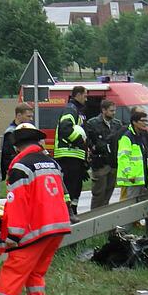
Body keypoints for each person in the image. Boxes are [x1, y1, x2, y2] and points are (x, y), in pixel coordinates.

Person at [0, 123, 72, 295]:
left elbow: (18, 204)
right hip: (58, 227)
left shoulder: (20, 168)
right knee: (36, 271)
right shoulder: (52, 163)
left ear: (17, 146)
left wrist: (12, 236)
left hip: (36, 228)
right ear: (37, 142)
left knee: (14, 269)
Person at [115, 108, 148, 228]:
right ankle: (124, 231)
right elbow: (123, 158)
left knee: (137, 206)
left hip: (140, 179)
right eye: (142, 121)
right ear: (134, 122)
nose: (145, 123)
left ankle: (133, 227)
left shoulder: (141, 136)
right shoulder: (127, 137)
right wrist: (130, 174)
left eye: (146, 120)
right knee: (129, 207)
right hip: (132, 179)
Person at [54, 86, 88, 216]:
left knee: (76, 187)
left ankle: (72, 212)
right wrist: (80, 142)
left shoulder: (76, 110)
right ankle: (66, 214)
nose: (86, 98)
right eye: (85, 95)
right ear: (78, 95)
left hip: (74, 155)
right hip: (68, 155)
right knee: (70, 187)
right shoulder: (71, 109)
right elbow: (65, 129)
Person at [86, 99, 123, 210]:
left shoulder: (117, 124)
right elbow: (90, 141)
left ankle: (104, 220)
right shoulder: (92, 123)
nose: (114, 113)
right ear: (104, 110)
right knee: (99, 193)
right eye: (111, 111)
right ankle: (94, 218)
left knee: (108, 192)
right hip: (100, 163)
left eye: (114, 110)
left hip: (112, 163)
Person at [1, 103, 34, 178]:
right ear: (19, 115)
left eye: (32, 116)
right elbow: (8, 157)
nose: (31, 119)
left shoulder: (26, 131)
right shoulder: (11, 133)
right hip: (16, 172)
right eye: (28, 116)